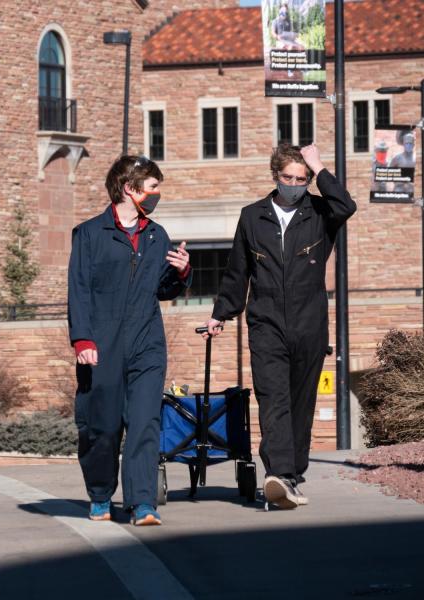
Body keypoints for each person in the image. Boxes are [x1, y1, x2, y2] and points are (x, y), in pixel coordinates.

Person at [205, 144, 356, 509]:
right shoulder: (253, 216)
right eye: (287, 178)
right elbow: (238, 270)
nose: (293, 184)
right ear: (275, 176)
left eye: (301, 179)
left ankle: (291, 475)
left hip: (309, 325)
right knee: (273, 399)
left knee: (301, 404)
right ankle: (278, 474)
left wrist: (319, 167)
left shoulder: (320, 212)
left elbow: (346, 205)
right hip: (266, 324)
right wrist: (221, 313)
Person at [68, 155, 191, 525]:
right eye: (152, 187)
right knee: (101, 427)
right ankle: (101, 495)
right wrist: (83, 340)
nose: (157, 194)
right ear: (129, 188)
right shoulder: (89, 234)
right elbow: (79, 290)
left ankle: (141, 502)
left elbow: (163, 289)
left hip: (147, 341)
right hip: (101, 344)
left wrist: (182, 273)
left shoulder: (157, 235)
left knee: (144, 422)